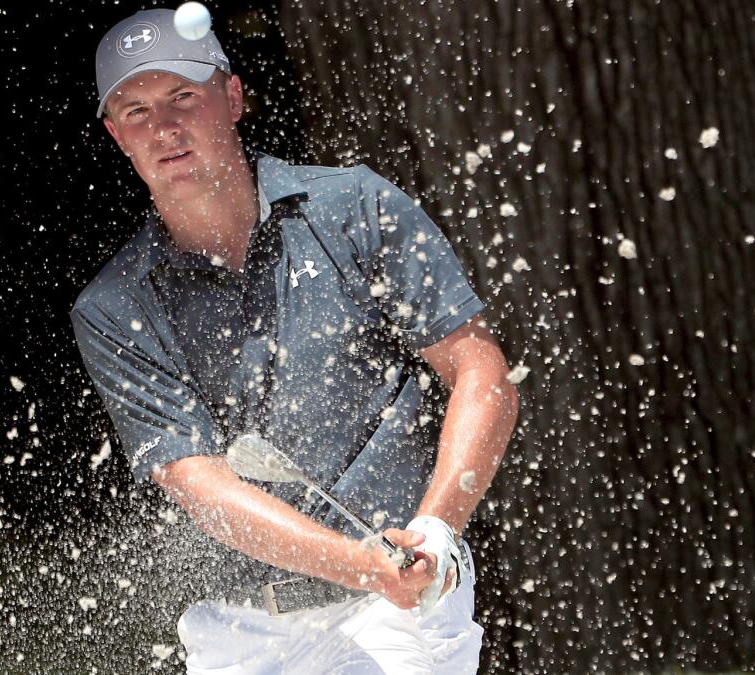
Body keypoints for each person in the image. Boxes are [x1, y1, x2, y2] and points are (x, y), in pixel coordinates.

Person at [70, 8, 519, 673]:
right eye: (136, 111)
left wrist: (435, 530)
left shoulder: (354, 207)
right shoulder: (115, 304)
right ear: (116, 136)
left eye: (183, 98)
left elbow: (481, 372)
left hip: (402, 607)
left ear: (232, 97)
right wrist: (361, 563)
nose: (163, 127)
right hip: (238, 629)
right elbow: (199, 482)